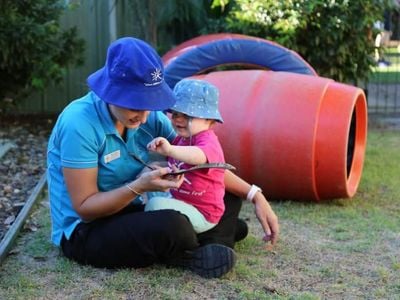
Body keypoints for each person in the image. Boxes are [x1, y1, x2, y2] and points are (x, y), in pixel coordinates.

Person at [47, 36, 279, 279]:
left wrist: (255, 195)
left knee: (226, 194)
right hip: (87, 230)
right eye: (136, 105)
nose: (146, 117)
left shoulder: (149, 117)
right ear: (111, 92)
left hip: (134, 210)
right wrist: (139, 187)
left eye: (150, 104)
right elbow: (85, 209)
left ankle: (209, 239)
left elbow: (202, 164)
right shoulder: (79, 124)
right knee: (171, 226)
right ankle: (204, 244)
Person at [145, 79, 226, 234]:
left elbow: (199, 156)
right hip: (181, 201)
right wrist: (164, 170)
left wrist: (170, 150)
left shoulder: (208, 141)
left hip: (203, 212)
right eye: (175, 113)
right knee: (150, 184)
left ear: (209, 120)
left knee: (154, 205)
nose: (178, 119)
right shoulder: (181, 139)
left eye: (188, 115)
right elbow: (177, 166)